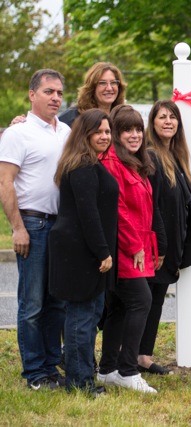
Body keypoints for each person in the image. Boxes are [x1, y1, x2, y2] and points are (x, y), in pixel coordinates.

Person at [0, 69, 70, 390]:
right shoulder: (18, 134)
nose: (55, 98)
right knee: (32, 305)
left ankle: (51, 365)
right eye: (48, 92)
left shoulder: (66, 132)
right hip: (32, 223)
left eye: (58, 92)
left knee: (57, 302)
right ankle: (35, 373)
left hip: (61, 227)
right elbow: (5, 183)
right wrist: (17, 228)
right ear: (32, 95)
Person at [137, 100, 191, 375]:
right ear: (153, 123)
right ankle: (129, 357)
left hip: (170, 244)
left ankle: (143, 356)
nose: (168, 121)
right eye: (162, 117)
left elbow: (175, 198)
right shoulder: (151, 156)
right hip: (155, 245)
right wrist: (157, 244)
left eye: (173, 117)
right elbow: (152, 203)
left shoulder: (175, 157)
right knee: (144, 302)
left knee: (156, 300)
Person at [48, 109, 118, 397]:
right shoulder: (84, 167)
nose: (105, 136)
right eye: (98, 131)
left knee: (85, 316)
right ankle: (80, 381)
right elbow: (88, 215)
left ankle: (80, 372)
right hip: (81, 254)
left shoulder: (86, 163)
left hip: (81, 251)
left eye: (107, 131)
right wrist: (103, 252)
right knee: (82, 318)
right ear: (85, 134)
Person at [97, 104, 166, 393]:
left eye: (138, 128)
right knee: (140, 302)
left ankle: (107, 369)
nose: (134, 134)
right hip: (126, 248)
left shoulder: (132, 162)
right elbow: (119, 210)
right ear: (115, 134)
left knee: (120, 307)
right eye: (127, 129)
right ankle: (127, 370)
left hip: (136, 246)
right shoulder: (112, 162)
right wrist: (136, 246)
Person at [58, 62, 127, 126]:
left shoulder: (123, 117)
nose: (109, 88)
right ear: (92, 87)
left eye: (113, 82)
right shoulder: (73, 117)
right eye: (102, 83)